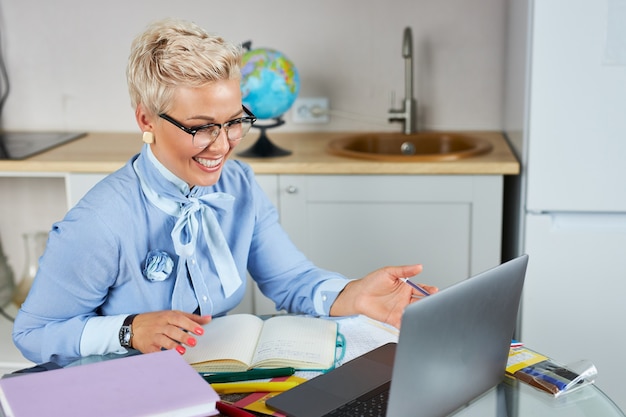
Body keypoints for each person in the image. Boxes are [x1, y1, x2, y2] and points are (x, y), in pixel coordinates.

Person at [12, 18, 437, 366]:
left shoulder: (239, 185)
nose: (223, 144)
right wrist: (128, 329)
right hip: (116, 392)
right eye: (200, 128)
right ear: (146, 119)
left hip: (209, 378)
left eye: (234, 121)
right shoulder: (100, 222)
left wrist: (355, 294)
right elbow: (31, 334)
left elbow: (290, 279)